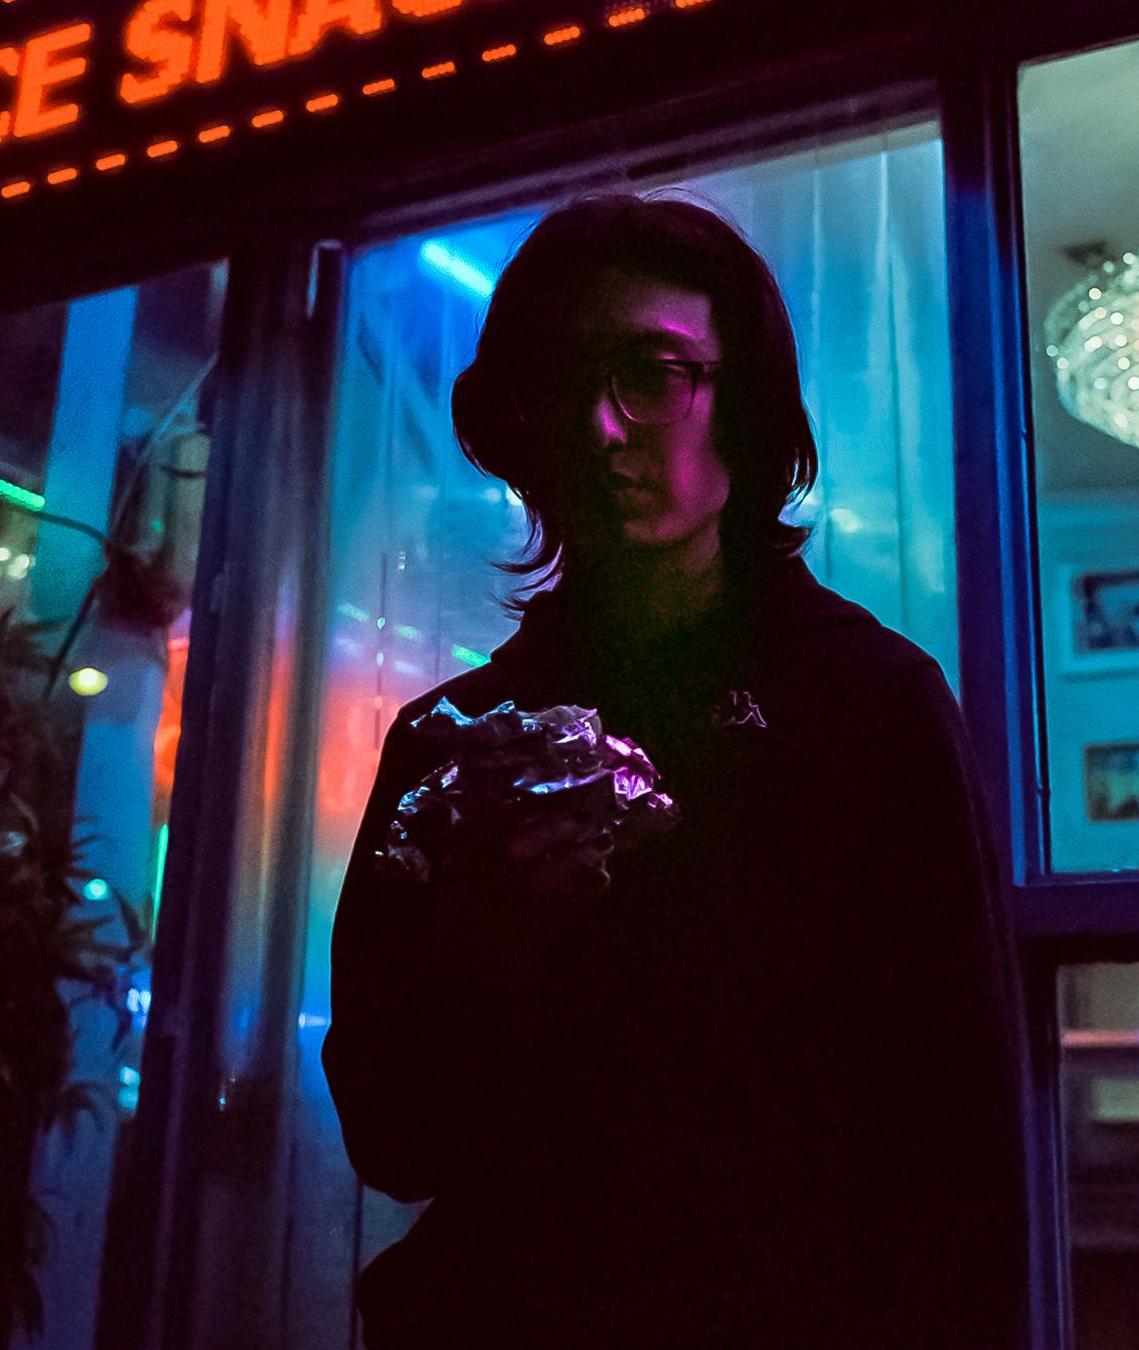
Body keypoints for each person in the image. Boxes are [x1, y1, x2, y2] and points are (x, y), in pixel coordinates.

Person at [323, 192, 1028, 1349]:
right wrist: (482, 955)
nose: (603, 426)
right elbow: (396, 1142)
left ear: (741, 409)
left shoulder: (868, 700)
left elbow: (960, 1143)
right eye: (557, 377)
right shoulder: (454, 737)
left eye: (653, 373)